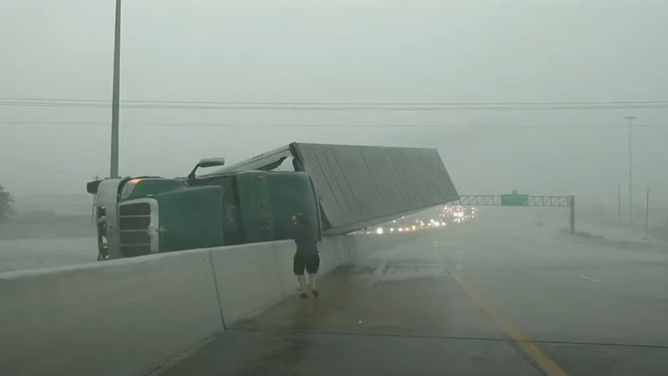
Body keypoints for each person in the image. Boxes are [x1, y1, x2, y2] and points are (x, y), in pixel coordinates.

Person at [291, 212, 320, 298]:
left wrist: (293, 222)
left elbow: (287, 231)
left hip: (301, 254)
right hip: (314, 253)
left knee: (299, 272)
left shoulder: (297, 228)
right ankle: (314, 287)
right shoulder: (311, 228)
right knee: (312, 271)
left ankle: (304, 291)